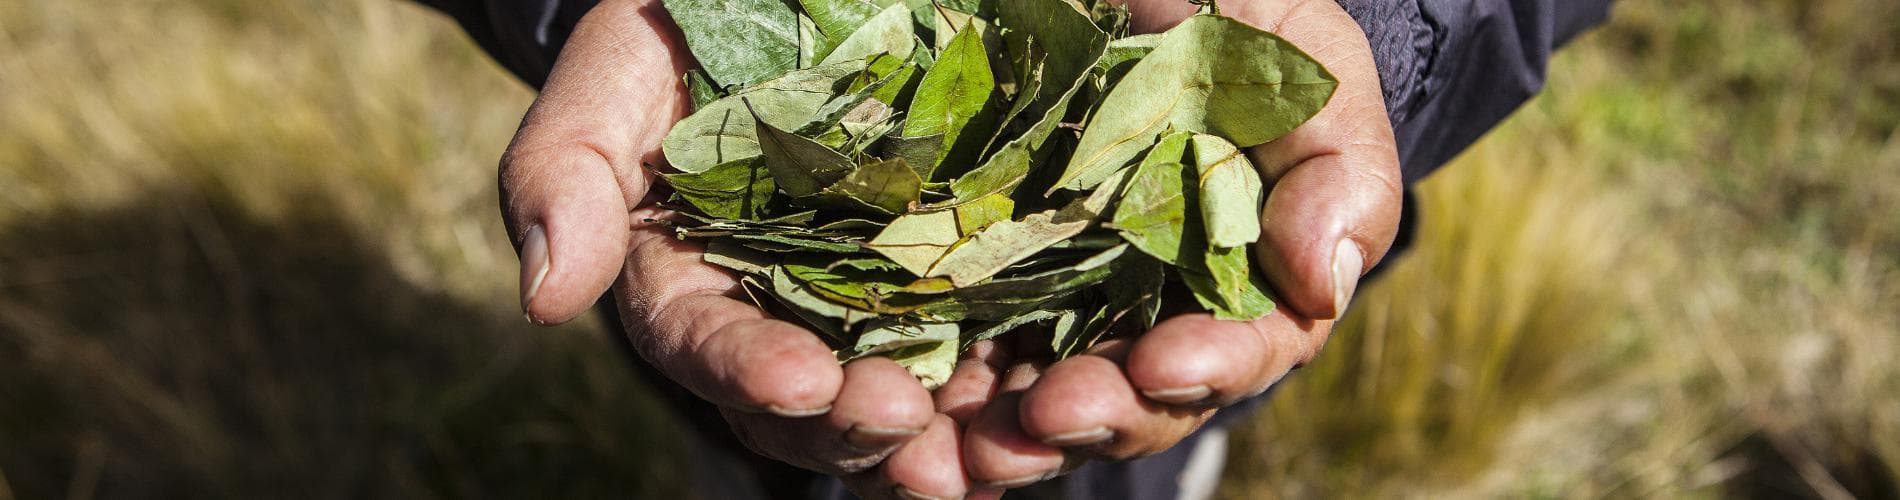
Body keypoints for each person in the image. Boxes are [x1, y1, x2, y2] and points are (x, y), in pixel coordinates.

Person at [416, 0, 1613, 498]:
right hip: (781, 346)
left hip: (1098, 362)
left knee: (1107, 439)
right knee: (779, 419)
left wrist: (1385, 17)